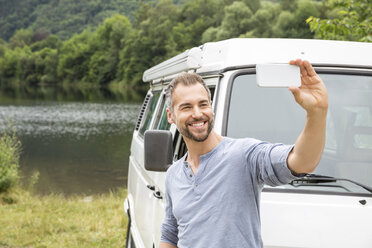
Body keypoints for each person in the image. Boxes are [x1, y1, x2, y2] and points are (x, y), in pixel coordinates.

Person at [160, 59, 328, 248]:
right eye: (186, 107)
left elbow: (301, 161)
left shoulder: (244, 155)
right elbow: (170, 232)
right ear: (170, 116)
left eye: (203, 104)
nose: (198, 113)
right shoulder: (174, 174)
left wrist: (317, 113)